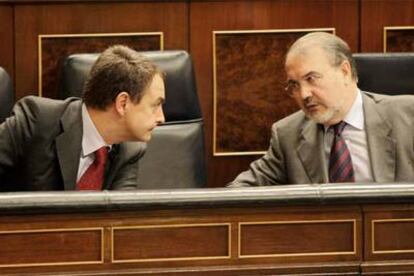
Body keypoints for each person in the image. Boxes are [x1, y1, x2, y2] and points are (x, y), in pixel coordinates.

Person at [229, 32, 414, 187]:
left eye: (311, 79)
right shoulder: (288, 135)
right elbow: (239, 193)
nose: (303, 94)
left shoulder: (408, 117)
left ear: (345, 72)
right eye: (294, 85)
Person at [0, 45, 165, 191]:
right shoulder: (36, 121)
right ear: (122, 103)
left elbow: (119, 218)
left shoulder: (130, 151)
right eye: (156, 105)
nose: (162, 118)